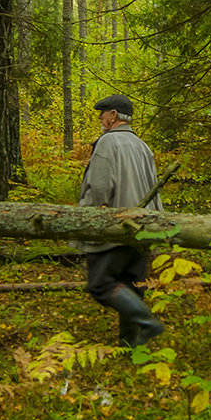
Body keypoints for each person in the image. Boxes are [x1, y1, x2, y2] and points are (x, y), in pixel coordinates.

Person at [76, 94, 166, 347]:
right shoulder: (142, 146)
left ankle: (146, 321)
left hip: (114, 229)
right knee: (132, 285)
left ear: (113, 116)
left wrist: (87, 222)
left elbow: (99, 189)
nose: (100, 118)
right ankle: (131, 348)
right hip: (142, 229)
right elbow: (154, 187)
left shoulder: (107, 143)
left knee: (100, 284)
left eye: (102, 113)